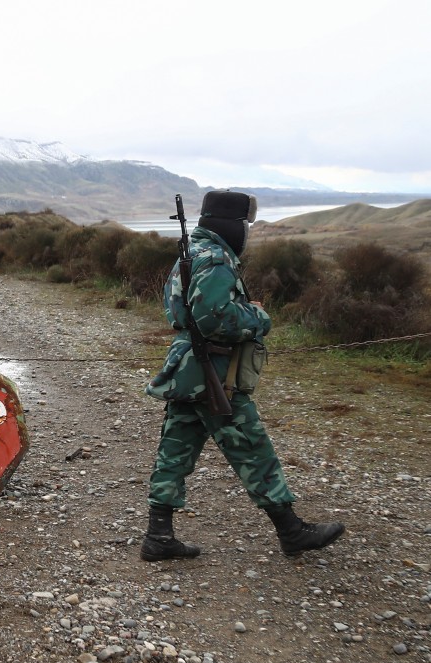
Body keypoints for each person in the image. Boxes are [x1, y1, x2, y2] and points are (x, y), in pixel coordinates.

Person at [141, 190, 345, 561]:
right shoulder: (216, 258)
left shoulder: (191, 255)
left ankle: (159, 535)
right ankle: (291, 531)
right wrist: (257, 316)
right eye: (245, 226)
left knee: (175, 449)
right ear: (232, 226)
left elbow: (183, 312)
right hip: (215, 371)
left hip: (189, 369)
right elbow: (215, 318)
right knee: (252, 448)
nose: (247, 234)